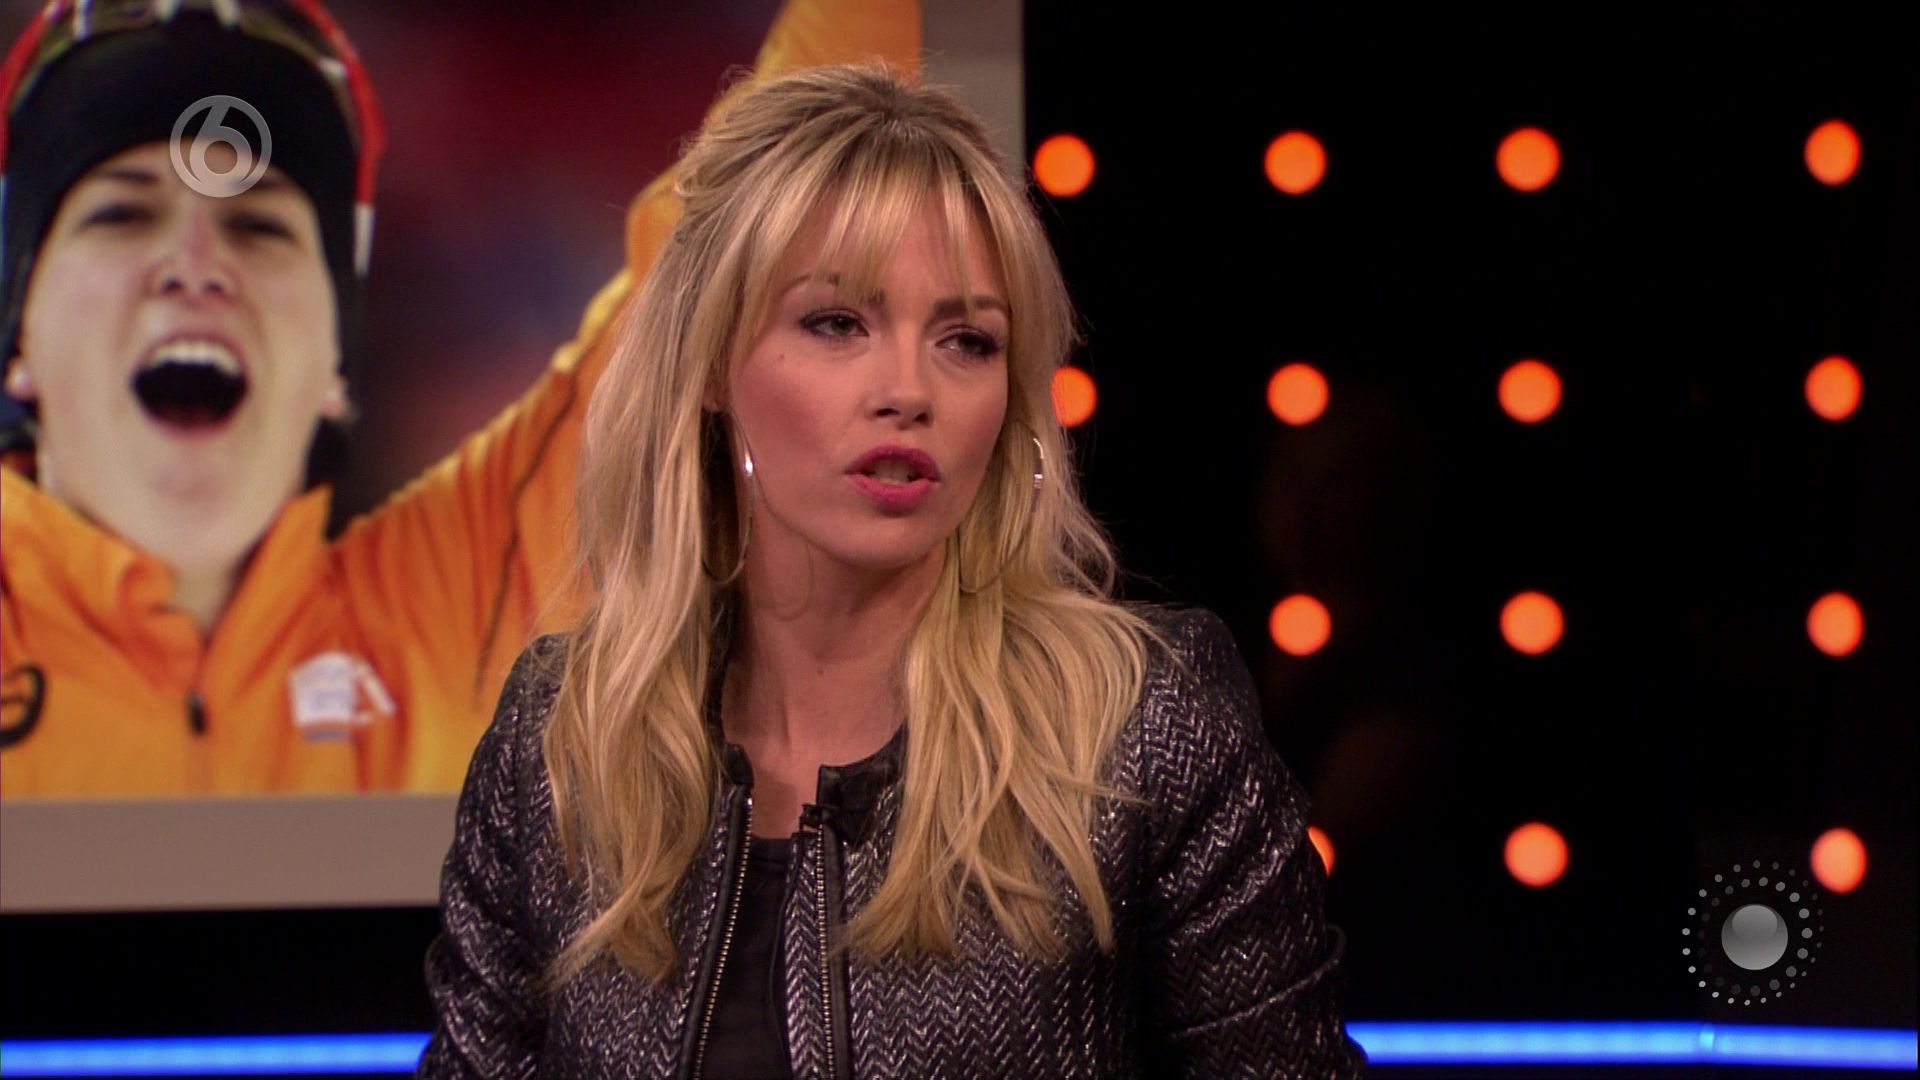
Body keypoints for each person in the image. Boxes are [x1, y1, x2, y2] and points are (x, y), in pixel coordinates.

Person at [419, 64, 1370, 1079]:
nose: (909, 390)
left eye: (967, 340)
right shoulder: (562, 740)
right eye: (837, 323)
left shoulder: (1136, 731)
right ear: (710, 364)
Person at [0, 0, 917, 796]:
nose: (196, 268)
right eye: (122, 214)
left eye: (257, 227)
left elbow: (803, 173)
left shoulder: (467, 608)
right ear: (19, 340)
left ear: (330, 355)